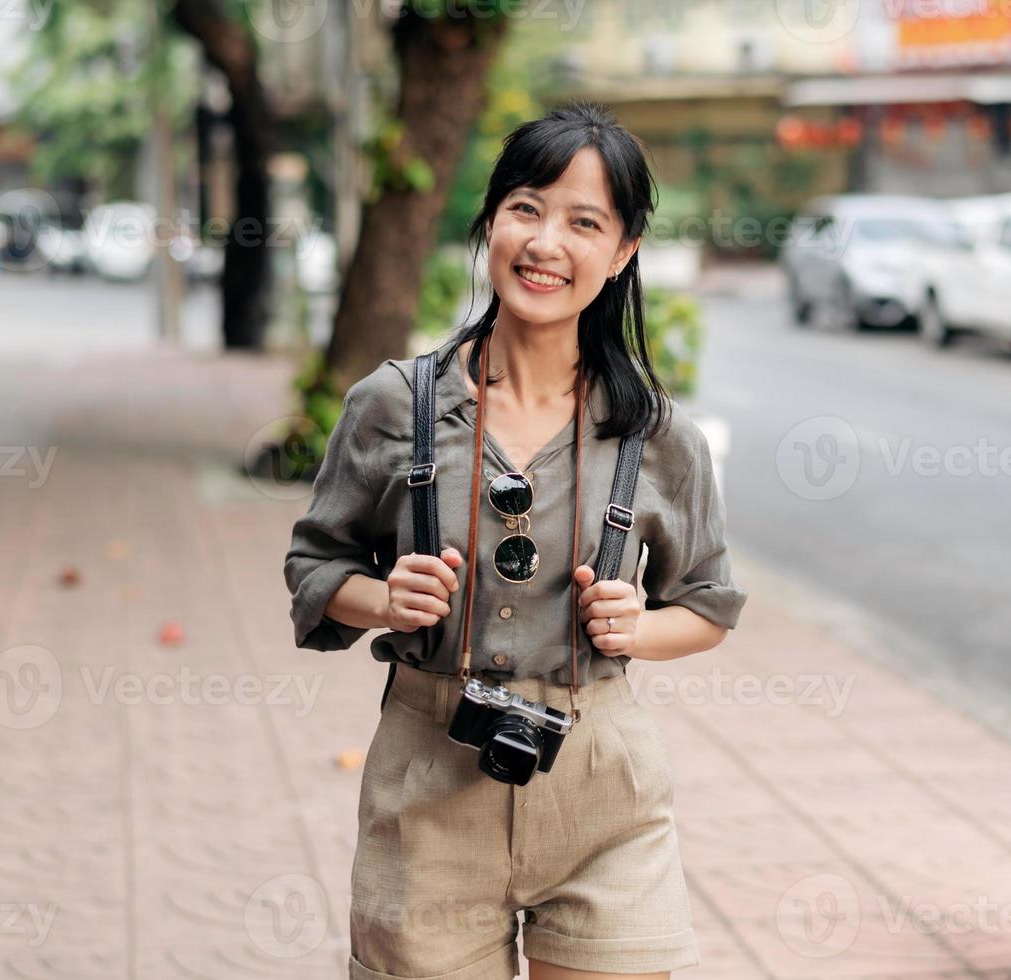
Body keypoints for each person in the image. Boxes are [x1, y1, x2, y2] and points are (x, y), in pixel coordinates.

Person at [284, 102, 748, 980]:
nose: (546, 244)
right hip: (428, 783)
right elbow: (315, 563)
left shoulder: (657, 435)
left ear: (621, 254)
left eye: (585, 223)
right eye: (527, 209)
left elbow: (709, 605)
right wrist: (382, 599)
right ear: (491, 221)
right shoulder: (392, 407)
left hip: (602, 788)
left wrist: (635, 628)